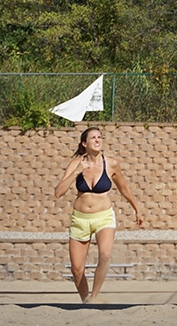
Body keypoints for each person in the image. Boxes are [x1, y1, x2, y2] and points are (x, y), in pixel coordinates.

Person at [54, 126, 142, 302]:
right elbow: (58, 192)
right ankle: (85, 299)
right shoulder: (75, 164)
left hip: (103, 217)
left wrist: (136, 208)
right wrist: (77, 171)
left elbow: (124, 187)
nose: (97, 140)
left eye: (100, 137)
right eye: (93, 137)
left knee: (105, 255)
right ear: (84, 143)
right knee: (77, 269)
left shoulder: (111, 164)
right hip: (80, 219)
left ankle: (94, 298)